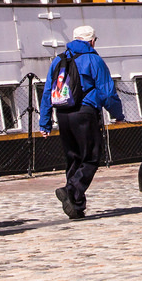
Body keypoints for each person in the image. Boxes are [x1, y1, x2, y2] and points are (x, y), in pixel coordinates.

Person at [48, 25, 123, 220]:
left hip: (63, 114)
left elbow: (48, 90)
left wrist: (44, 122)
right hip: (85, 112)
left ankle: (76, 207)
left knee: (73, 158)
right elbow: (107, 92)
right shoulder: (93, 59)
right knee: (91, 157)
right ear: (91, 41)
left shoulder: (58, 60)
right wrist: (118, 114)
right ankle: (71, 190)